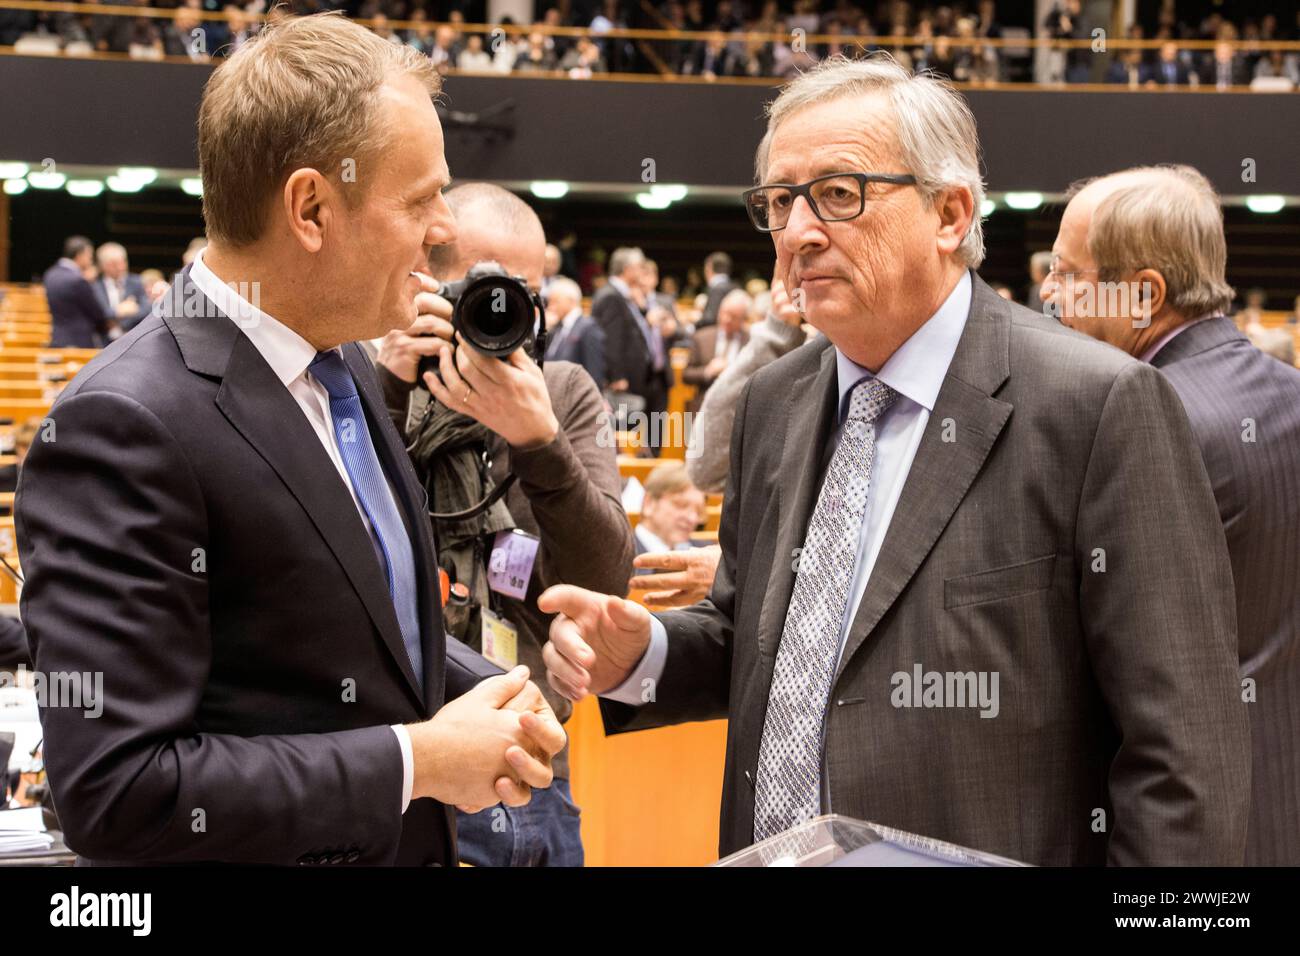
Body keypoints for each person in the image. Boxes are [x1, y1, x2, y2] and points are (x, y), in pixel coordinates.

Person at [539, 55, 1250, 865]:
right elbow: (759, 642)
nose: (797, 233)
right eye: (778, 203)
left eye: (839, 195)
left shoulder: (1098, 407)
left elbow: (1184, 752)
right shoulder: (774, 404)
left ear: (950, 214)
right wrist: (649, 656)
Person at [16, 13, 564, 866]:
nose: (445, 231)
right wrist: (418, 760)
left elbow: (353, 636)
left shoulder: (337, 358)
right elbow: (118, 793)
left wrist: (490, 689)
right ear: (310, 207)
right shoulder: (122, 425)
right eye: (420, 199)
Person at [376, 182, 633, 867]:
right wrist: (390, 390)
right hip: (404, 766)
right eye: (483, 288)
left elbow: (605, 578)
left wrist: (539, 438)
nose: (502, 309)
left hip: (533, 758)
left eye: (524, 292)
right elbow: (342, 558)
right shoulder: (366, 382)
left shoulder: (564, 392)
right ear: (427, 281)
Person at [1049, 164, 1300, 865]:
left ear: (1143, 296)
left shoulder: (1140, 424)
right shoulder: (1292, 392)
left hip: (1183, 840)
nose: (1047, 292)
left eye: (1068, 273)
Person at [593, 246, 667, 429]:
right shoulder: (612, 296)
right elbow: (612, 339)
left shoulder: (622, 294)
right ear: (628, 269)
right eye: (639, 267)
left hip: (637, 378)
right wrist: (617, 375)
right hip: (622, 380)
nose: (642, 271)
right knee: (624, 434)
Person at [682, 288, 750, 412]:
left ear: (743, 319)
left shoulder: (751, 341)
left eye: (734, 316)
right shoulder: (701, 337)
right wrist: (708, 370)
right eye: (724, 313)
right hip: (703, 407)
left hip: (736, 409)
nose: (727, 319)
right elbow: (686, 375)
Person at [43, 236, 109, 348]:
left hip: (57, 337)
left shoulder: (50, 274)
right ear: (80, 255)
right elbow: (97, 314)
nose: (90, 260)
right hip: (78, 342)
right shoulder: (78, 280)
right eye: (89, 256)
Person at [632, 462, 705, 558]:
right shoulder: (618, 555)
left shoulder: (703, 553)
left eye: (698, 511)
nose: (693, 519)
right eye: (681, 505)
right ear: (649, 503)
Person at [544, 275, 606, 387]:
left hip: (576, 394)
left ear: (571, 301)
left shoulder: (588, 327)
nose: (551, 307)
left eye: (555, 302)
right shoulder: (556, 327)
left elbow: (594, 372)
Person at [91, 242, 151, 334]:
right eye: (114, 264)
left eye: (123, 262)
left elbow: (146, 309)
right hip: (103, 340)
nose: (121, 267)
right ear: (103, 266)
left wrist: (120, 324)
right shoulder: (94, 287)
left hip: (131, 336)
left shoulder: (137, 282)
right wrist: (117, 311)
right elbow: (96, 315)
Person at [696, 250, 738, 328]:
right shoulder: (736, 286)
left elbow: (710, 320)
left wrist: (695, 320)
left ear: (709, 268)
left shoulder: (717, 289)